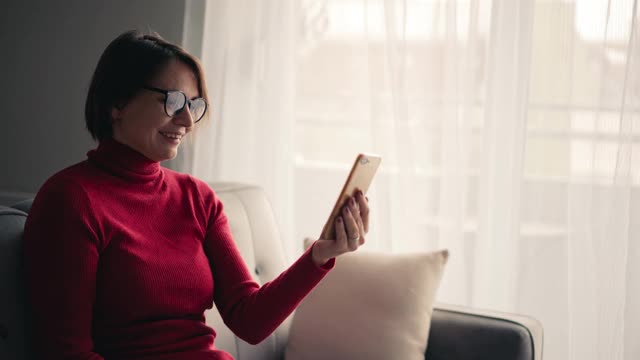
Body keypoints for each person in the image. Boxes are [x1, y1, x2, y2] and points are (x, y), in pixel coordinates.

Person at [22, 30, 369, 360]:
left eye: (194, 104)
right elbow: (67, 353)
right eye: (173, 102)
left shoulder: (197, 198)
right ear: (118, 103)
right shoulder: (70, 199)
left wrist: (321, 255)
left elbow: (250, 319)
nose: (187, 120)